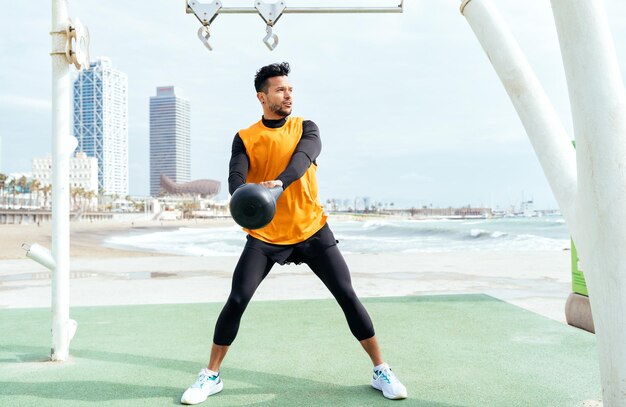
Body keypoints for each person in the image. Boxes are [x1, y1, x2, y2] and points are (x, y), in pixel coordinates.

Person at [181, 62, 407, 405]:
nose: (288, 95)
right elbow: (235, 179)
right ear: (262, 96)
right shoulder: (245, 137)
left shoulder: (306, 127)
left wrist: (279, 183)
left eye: (290, 90)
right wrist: (245, 196)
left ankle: (381, 370)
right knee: (238, 299)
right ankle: (211, 375)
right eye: (280, 90)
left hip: (311, 228)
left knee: (346, 294)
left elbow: (304, 159)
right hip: (266, 235)